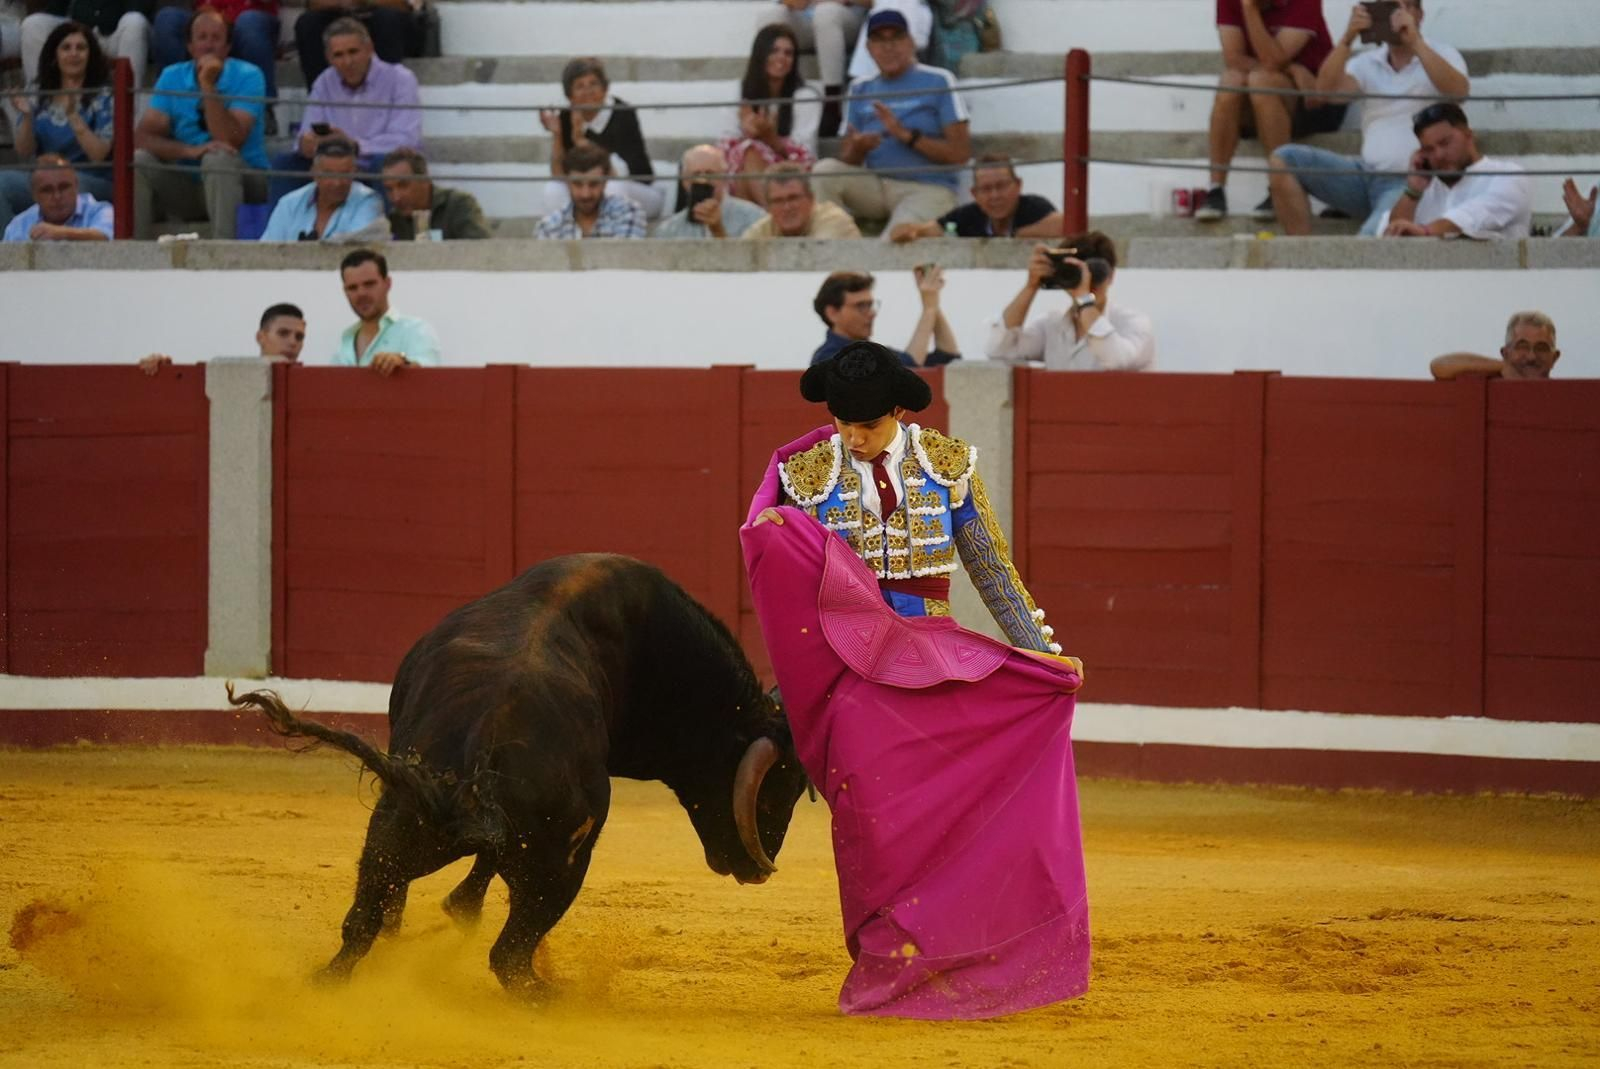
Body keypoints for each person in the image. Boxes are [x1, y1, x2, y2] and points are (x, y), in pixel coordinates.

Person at [1268, 0, 1468, 235]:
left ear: (1420, 15)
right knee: (1283, 159)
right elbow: (1323, 93)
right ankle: (1301, 255)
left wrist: (1415, 42)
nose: (1396, 14)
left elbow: (1459, 92)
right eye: (1389, 7)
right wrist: (1346, 39)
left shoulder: (1442, 53)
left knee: (1369, 242)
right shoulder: (1367, 62)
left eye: (1404, 7)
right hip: (1364, 177)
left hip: (1409, 184)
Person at [810, 10, 969, 233]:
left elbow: (960, 155)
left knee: (898, 239)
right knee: (824, 171)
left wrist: (906, 136)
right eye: (879, 40)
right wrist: (858, 148)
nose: (888, 47)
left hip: (928, 188)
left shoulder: (939, 80)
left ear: (911, 42)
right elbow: (848, 158)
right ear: (869, 49)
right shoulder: (860, 88)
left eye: (896, 37)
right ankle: (834, 246)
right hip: (876, 185)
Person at [1196, 0, 1341, 222]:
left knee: (1261, 80)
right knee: (1231, 79)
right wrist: (1293, 69)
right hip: (1272, 89)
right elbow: (1233, 58)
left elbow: (1273, 60)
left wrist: (1250, 10)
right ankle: (1216, 189)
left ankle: (1279, 188)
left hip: (1315, 100)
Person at [133, 8, 267, 239]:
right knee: (140, 159)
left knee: (218, 157)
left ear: (227, 47)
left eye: (216, 38)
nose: (208, 45)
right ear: (190, 46)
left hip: (244, 181)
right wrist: (188, 150)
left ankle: (223, 254)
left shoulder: (249, 75)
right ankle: (134, 250)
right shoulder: (172, 76)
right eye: (201, 38)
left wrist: (208, 85)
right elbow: (143, 137)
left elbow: (229, 139)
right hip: (190, 183)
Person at [268, 18, 421, 207]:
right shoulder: (324, 82)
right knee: (286, 163)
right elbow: (307, 132)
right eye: (338, 55)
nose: (347, 61)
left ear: (369, 48)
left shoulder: (400, 79)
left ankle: (392, 233)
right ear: (329, 58)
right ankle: (278, 235)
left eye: (353, 52)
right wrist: (306, 143)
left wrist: (355, 146)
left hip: (375, 164)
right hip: (336, 166)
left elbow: (407, 140)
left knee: (386, 165)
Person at [1, 21, 114, 236]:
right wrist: (26, 117)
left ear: (90, 55)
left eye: (81, 48)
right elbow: (24, 150)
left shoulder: (104, 95)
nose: (74, 53)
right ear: (54, 55)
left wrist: (73, 116)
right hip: (45, 176)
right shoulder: (39, 92)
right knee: (1, 184)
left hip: (91, 179)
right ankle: (11, 250)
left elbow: (98, 154)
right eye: (66, 47)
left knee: (62, 189)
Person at [985, 232, 1155, 371]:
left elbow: (1116, 359)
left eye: (1095, 272)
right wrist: (1030, 286)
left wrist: (1084, 299)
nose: (1088, 280)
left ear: (1110, 275)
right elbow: (1000, 350)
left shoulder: (1133, 323)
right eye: (1078, 272)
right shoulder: (1052, 325)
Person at [1383, 102, 1531, 239]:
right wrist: (1413, 192)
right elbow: (1392, 237)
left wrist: (1424, 232)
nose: (1438, 155)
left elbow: (1471, 218)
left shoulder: (1508, 176)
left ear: (1469, 135)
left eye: (1445, 143)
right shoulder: (1423, 190)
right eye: (1429, 149)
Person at [539, 57, 661, 220]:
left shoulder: (622, 113)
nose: (588, 91)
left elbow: (619, 173)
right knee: (553, 189)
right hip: (589, 193)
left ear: (605, 89)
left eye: (593, 84)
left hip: (639, 191)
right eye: (580, 86)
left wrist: (581, 142)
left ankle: (610, 241)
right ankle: (565, 240)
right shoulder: (566, 117)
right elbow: (559, 175)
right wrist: (558, 135)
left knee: (611, 187)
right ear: (570, 96)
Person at [721, 23, 820, 208]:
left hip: (791, 170)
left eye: (788, 53)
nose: (781, 57)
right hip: (744, 173)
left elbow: (807, 156)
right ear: (760, 55)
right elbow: (725, 147)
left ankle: (774, 221)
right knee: (746, 154)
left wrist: (770, 139)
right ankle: (770, 224)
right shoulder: (738, 92)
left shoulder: (805, 96)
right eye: (774, 50)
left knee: (750, 151)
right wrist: (747, 132)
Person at [889, 154, 1063, 242]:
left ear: (1018, 186)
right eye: (986, 189)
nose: (995, 195)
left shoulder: (1034, 206)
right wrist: (909, 230)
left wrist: (1017, 234)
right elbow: (926, 229)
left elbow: (1064, 225)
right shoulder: (967, 215)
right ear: (975, 194)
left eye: (1001, 186)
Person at [812, 269, 959, 367]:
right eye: (861, 306)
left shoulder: (876, 352)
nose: (871, 313)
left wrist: (933, 305)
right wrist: (929, 308)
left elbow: (947, 356)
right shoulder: (828, 358)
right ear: (832, 313)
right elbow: (910, 366)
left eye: (870, 305)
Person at [259, 136, 385, 241]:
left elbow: (352, 249)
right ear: (314, 173)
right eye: (329, 174)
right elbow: (267, 250)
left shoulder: (370, 202)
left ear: (355, 173)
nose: (337, 183)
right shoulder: (289, 204)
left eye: (344, 174)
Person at [335, 248, 440, 374]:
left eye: (369, 284)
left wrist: (403, 362)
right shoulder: (345, 341)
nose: (361, 293)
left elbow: (429, 372)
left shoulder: (415, 331)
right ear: (345, 292)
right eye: (352, 288)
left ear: (388, 283)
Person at [152, 1, 280, 102]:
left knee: (249, 21)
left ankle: (263, 106)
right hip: (206, 18)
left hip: (247, 24)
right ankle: (171, 99)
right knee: (167, 18)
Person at [777, 0, 868, 137]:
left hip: (849, 20)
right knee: (771, 14)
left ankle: (832, 103)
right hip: (807, 19)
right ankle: (771, 100)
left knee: (826, 12)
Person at [139, 301, 307, 373]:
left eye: (299, 337)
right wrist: (161, 370)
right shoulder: (233, 373)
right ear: (260, 337)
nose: (292, 342)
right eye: (283, 333)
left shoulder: (309, 382)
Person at [20, 0, 149, 88]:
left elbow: (138, 8)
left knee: (135, 22)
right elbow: (56, 9)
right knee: (33, 24)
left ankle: (129, 109)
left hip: (115, 36)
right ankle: (39, 101)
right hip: (78, 35)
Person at [533, 143, 647, 239]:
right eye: (577, 184)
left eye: (593, 184)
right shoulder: (549, 226)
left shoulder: (628, 213)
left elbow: (624, 261)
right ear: (567, 183)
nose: (585, 194)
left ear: (605, 182)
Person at [653, 144, 767, 239]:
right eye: (696, 174)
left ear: (725, 177)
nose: (702, 180)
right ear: (684, 182)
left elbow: (751, 263)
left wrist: (718, 230)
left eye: (710, 173)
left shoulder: (754, 219)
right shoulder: (668, 230)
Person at [293, 0, 411, 89]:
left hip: (381, 14)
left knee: (387, 19)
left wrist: (362, 1)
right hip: (339, 12)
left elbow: (402, 6)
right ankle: (321, 99)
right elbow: (314, 4)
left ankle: (385, 95)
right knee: (308, 22)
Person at [382, 147, 490, 240]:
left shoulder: (459, 205)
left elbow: (483, 251)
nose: (396, 198)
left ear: (424, 180)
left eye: (403, 186)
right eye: (389, 189)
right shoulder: (394, 220)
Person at [1, 154, 113, 241]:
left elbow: (106, 237)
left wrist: (62, 234)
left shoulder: (101, 211)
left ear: (76, 186)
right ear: (34, 195)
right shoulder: (19, 225)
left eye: (64, 187)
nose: (57, 196)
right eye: (47, 190)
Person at [741, 162, 862, 238]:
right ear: (768, 207)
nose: (787, 207)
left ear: (811, 199)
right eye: (778, 201)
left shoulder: (834, 220)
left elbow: (816, 260)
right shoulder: (763, 228)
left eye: (793, 198)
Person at [1430, 311, 1560, 381]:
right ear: (1505, 354)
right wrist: (1504, 367)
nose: (1532, 356)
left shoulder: (1565, 394)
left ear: (1554, 358)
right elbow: (1440, 366)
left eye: (1541, 348)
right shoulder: (1495, 381)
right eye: (1522, 347)